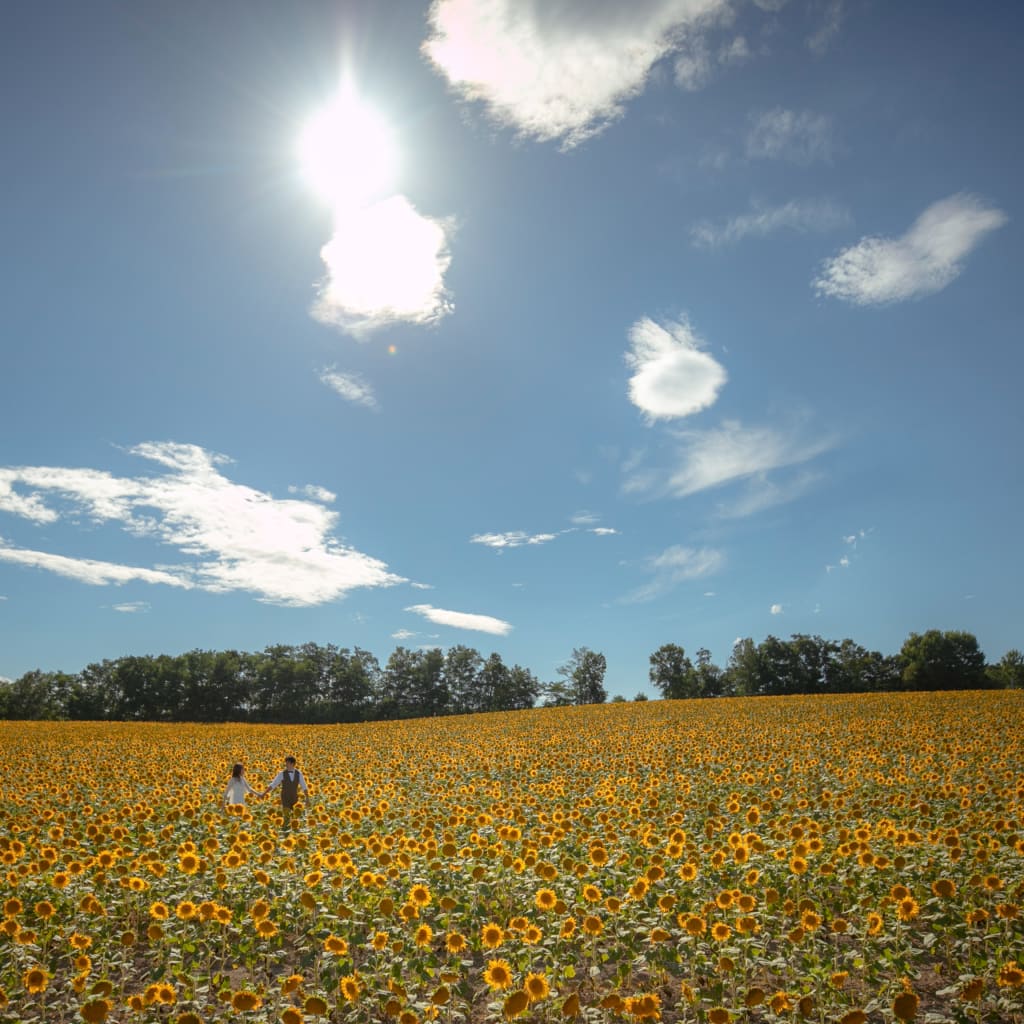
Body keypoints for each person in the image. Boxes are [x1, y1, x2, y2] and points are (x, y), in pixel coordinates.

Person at [262, 756, 309, 829]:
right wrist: (264, 793)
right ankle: (285, 831)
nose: (286, 765)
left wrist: (307, 798)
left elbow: (304, 786)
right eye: (286, 763)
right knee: (286, 816)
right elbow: (273, 784)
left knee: (295, 817)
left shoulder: (299, 773)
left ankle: (294, 832)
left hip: (294, 797)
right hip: (285, 798)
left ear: (293, 764)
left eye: (288, 763)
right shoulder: (282, 774)